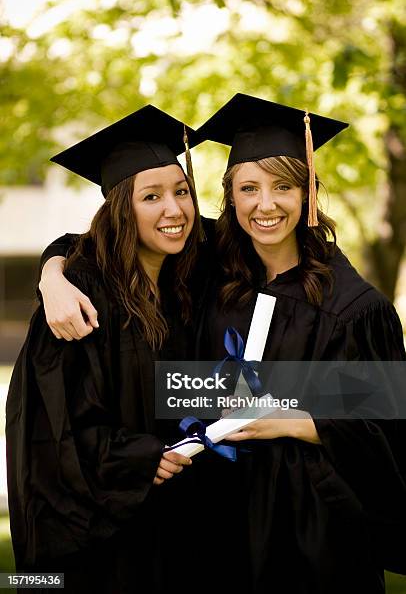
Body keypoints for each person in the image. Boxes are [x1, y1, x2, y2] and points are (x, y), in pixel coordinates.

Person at [35, 94, 406, 594]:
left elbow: (386, 421)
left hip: (312, 528)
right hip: (212, 520)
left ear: (309, 192)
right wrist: (53, 273)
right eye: (248, 188)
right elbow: (109, 237)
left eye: (283, 187)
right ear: (229, 196)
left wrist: (297, 420)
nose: (265, 205)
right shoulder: (211, 267)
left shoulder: (354, 307)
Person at [6, 104, 206, 593]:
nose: (174, 209)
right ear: (122, 206)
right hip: (107, 537)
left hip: (183, 525)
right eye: (152, 196)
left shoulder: (192, 271)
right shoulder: (82, 294)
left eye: (181, 191)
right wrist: (138, 458)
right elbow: (51, 425)